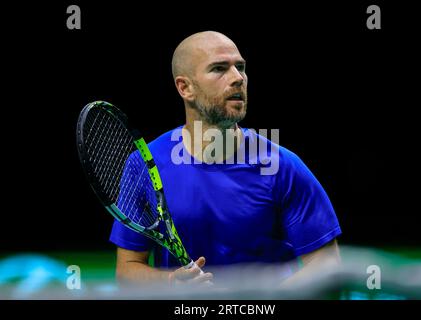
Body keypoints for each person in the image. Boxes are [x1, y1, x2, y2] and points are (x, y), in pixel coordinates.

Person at [110, 31, 342, 289]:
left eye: (240, 67)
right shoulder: (145, 164)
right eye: (219, 69)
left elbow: (328, 266)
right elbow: (127, 271)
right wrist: (171, 281)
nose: (237, 78)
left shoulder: (282, 166)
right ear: (185, 87)